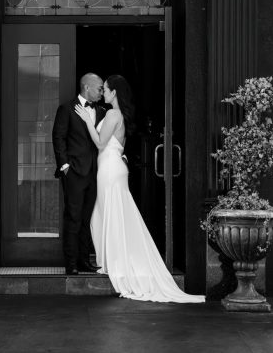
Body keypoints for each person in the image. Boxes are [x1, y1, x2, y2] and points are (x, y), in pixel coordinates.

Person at [73, 75, 205, 303]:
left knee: (108, 214)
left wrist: (86, 120)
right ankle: (112, 259)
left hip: (110, 170)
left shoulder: (113, 114)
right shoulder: (118, 115)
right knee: (109, 214)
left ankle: (113, 261)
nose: (103, 92)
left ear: (114, 92)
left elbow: (101, 144)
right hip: (113, 167)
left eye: (105, 89)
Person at [52, 72, 104, 276]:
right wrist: (65, 167)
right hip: (74, 172)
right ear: (87, 87)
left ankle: (84, 261)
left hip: (94, 173)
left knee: (86, 218)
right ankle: (71, 263)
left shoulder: (101, 111)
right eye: (99, 87)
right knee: (73, 217)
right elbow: (58, 137)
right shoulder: (66, 109)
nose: (101, 92)